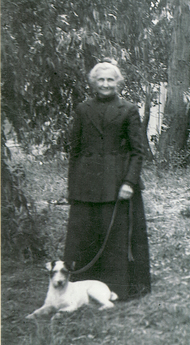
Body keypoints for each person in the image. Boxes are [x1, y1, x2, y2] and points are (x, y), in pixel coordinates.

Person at [63, 58, 151, 301]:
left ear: (118, 83)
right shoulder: (82, 110)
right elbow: (75, 151)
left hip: (118, 185)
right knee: (87, 235)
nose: (105, 84)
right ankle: (83, 290)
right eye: (100, 79)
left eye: (110, 79)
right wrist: (72, 189)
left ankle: (120, 289)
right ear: (93, 83)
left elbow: (138, 151)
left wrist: (129, 183)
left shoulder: (129, 110)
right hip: (86, 186)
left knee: (116, 238)